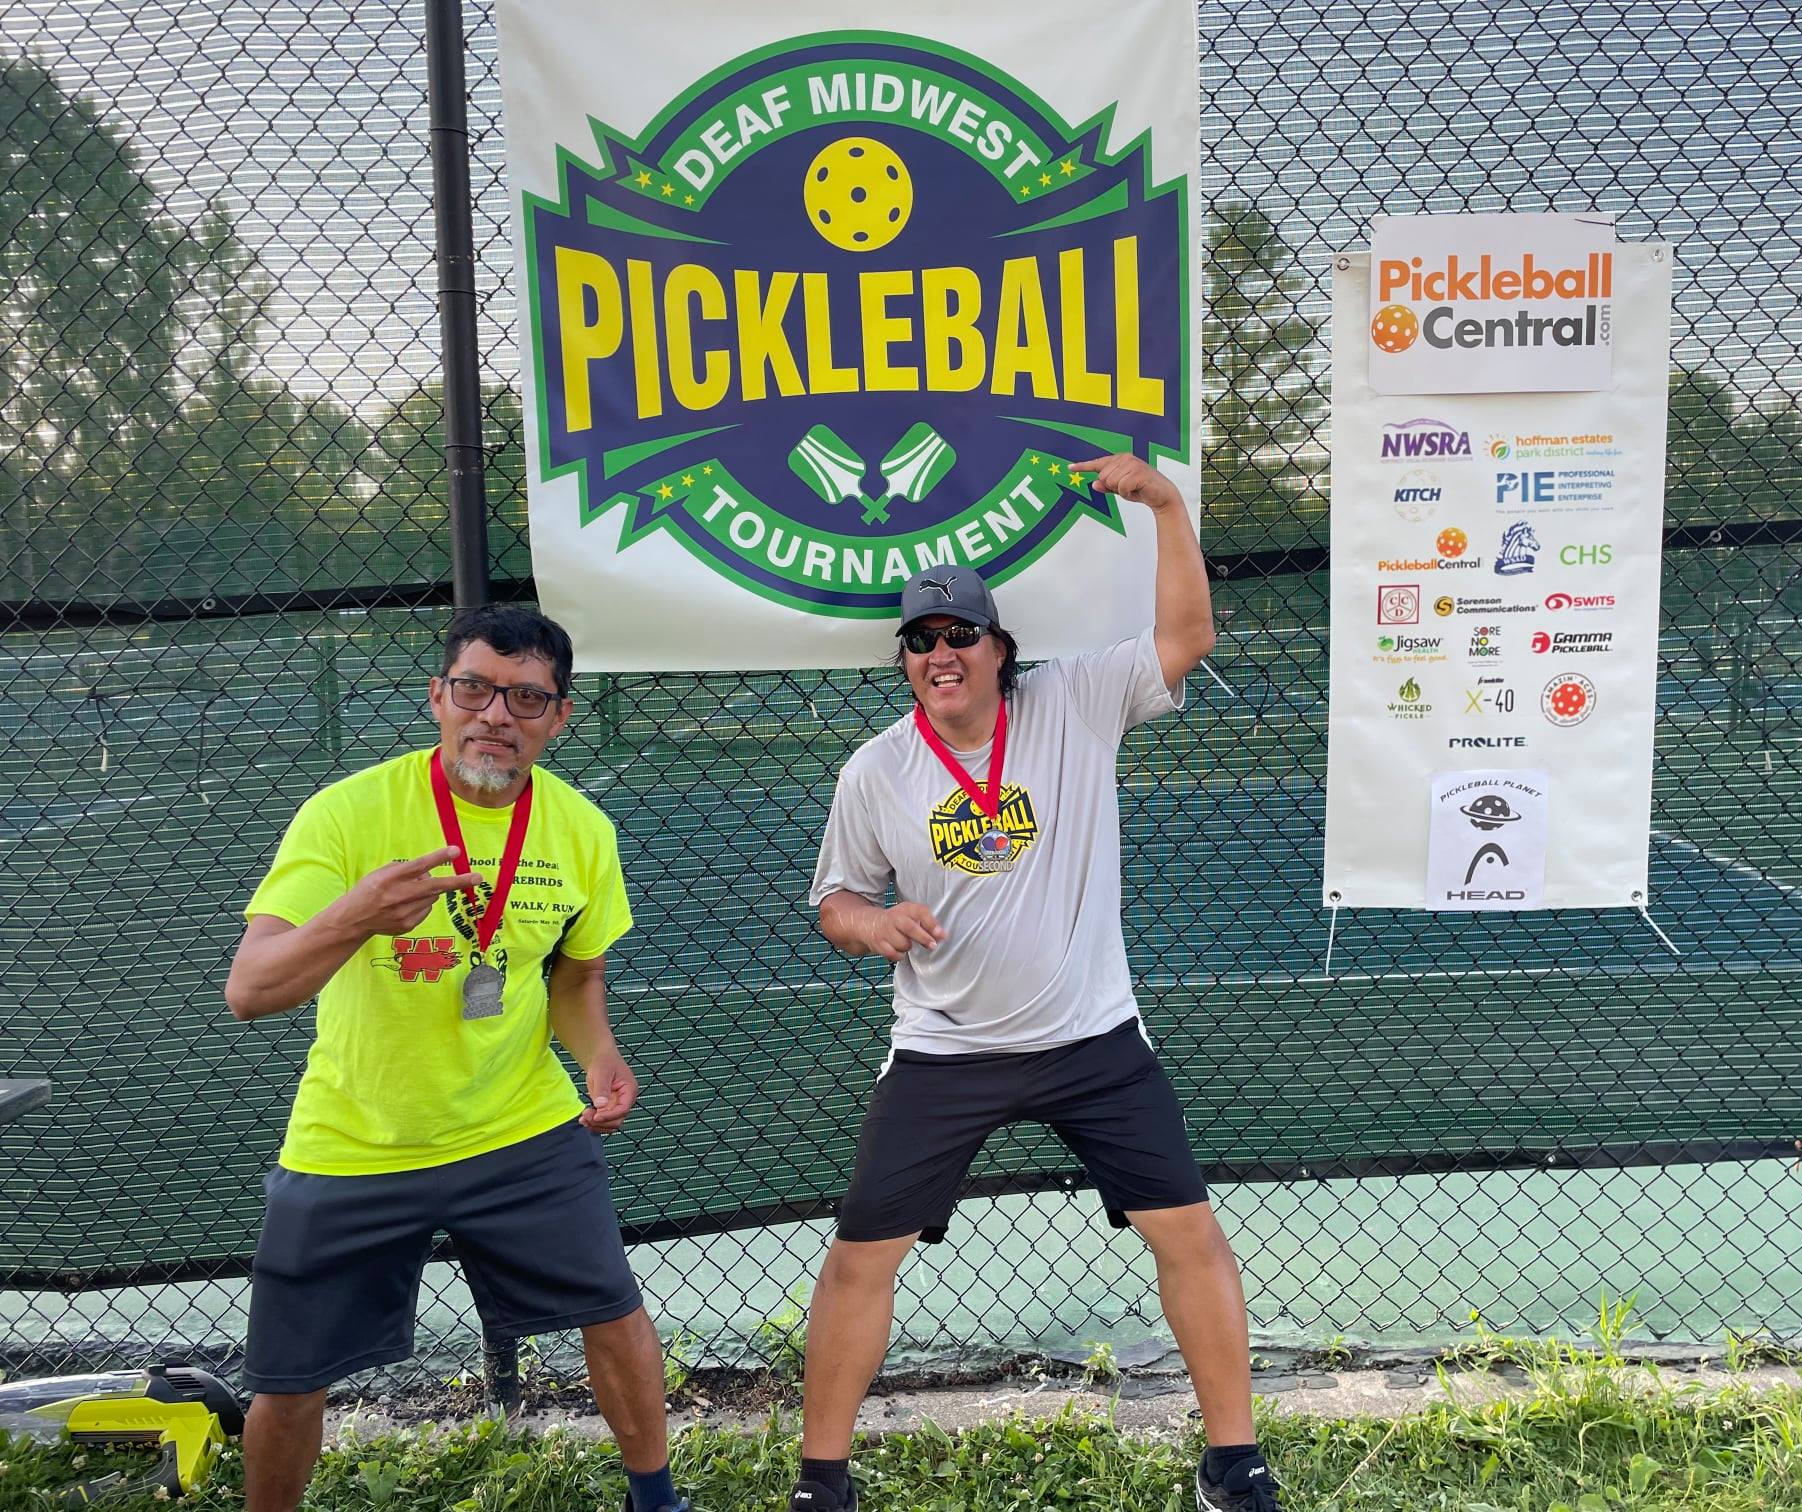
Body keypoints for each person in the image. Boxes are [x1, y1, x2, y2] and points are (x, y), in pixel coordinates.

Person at [792, 455, 1281, 1512]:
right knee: (858, 1257)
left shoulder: (1074, 700)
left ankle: (1232, 1464)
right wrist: (870, 922)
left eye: (959, 634)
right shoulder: (875, 770)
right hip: (944, 1051)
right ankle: (820, 1480)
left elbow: (1187, 637)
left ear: (1001, 649)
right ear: (907, 664)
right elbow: (835, 901)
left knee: (1187, 1233)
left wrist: (1162, 503)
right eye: (920, 642)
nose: (940, 653)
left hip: (1091, 1040)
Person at [224, 605, 688, 1512]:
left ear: (558, 717)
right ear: (438, 697)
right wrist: (356, 915)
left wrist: (600, 1056)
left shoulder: (583, 831)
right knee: (287, 1376)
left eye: (526, 698)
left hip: (520, 1126)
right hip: (357, 1141)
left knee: (615, 1309)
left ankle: (656, 1498)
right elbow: (251, 988)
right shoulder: (349, 814)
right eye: (474, 688)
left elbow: (574, 979)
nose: (495, 716)